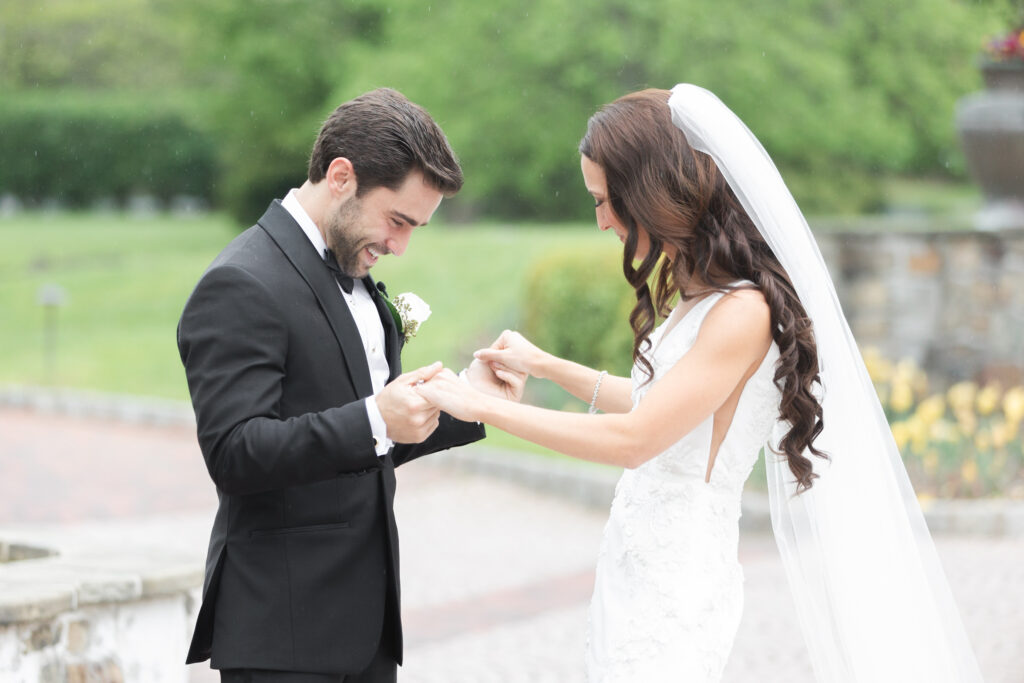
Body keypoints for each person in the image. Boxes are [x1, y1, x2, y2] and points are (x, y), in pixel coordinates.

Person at [415, 85, 983, 682]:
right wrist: (547, 365)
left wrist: (480, 406)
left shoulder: (743, 312)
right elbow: (660, 407)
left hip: (677, 580)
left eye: (606, 200)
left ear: (650, 192)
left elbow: (637, 438)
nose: (601, 219)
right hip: (638, 563)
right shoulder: (703, 293)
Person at [177, 88, 520, 682]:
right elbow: (234, 453)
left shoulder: (357, 272)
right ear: (341, 176)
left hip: (366, 633)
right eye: (397, 220)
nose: (400, 245)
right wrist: (375, 419)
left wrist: (469, 397)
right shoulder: (240, 282)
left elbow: (370, 444)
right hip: (282, 638)